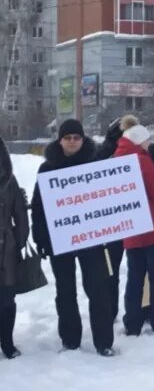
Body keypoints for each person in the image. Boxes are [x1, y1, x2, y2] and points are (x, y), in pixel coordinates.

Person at [31, 120, 115, 356]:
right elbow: (39, 206)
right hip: (60, 239)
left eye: (76, 137)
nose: (72, 141)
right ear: (60, 140)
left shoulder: (93, 163)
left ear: (82, 139)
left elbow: (109, 197)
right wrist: (41, 238)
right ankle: (70, 340)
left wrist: (110, 229)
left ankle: (104, 341)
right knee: (65, 291)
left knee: (97, 288)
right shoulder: (48, 168)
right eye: (67, 137)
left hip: (91, 237)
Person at [114, 125, 154, 338]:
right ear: (139, 141)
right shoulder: (142, 160)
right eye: (147, 140)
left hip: (131, 230)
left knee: (134, 278)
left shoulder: (116, 162)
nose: (150, 144)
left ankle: (132, 324)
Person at [93, 114, 139, 321]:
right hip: (112, 220)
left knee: (138, 269)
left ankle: (138, 310)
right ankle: (110, 310)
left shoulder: (143, 151)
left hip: (137, 217)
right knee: (110, 269)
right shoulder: (104, 153)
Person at [0, 137, 29, 359]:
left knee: (7, 299)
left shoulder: (9, 182)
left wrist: (18, 243)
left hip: (5, 250)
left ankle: (7, 343)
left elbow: (20, 214)